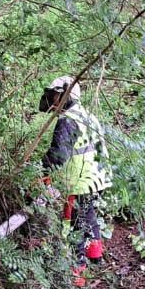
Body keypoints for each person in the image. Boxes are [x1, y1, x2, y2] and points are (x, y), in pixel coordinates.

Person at [39, 76, 113, 264]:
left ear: (65, 95)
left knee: (75, 224)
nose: (52, 99)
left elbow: (58, 155)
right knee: (89, 217)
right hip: (99, 177)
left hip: (81, 181)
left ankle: (77, 269)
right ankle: (95, 257)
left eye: (55, 95)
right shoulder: (86, 115)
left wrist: (42, 171)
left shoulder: (67, 120)